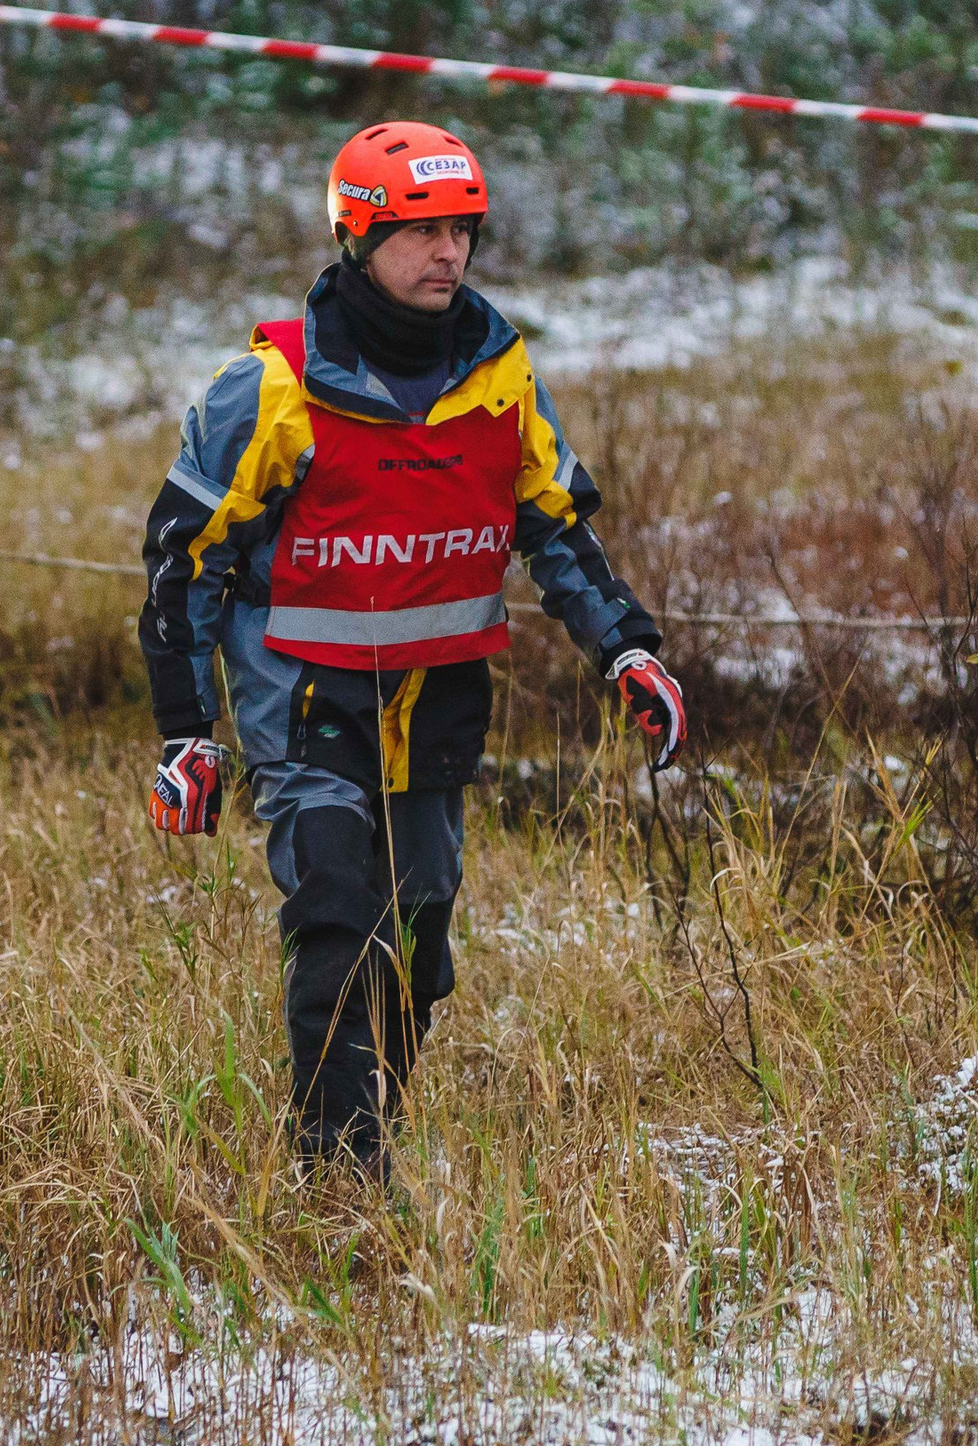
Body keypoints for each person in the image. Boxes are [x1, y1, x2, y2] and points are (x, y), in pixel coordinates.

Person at [135, 120, 687, 1176]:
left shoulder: (500, 372)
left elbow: (557, 526)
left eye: (462, 232)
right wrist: (184, 731)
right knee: (340, 918)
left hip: (437, 698)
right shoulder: (270, 387)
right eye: (420, 232)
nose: (448, 254)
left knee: (420, 949)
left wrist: (626, 649)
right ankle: (339, 1174)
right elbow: (181, 558)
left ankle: (370, 1116)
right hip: (302, 701)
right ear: (357, 237)